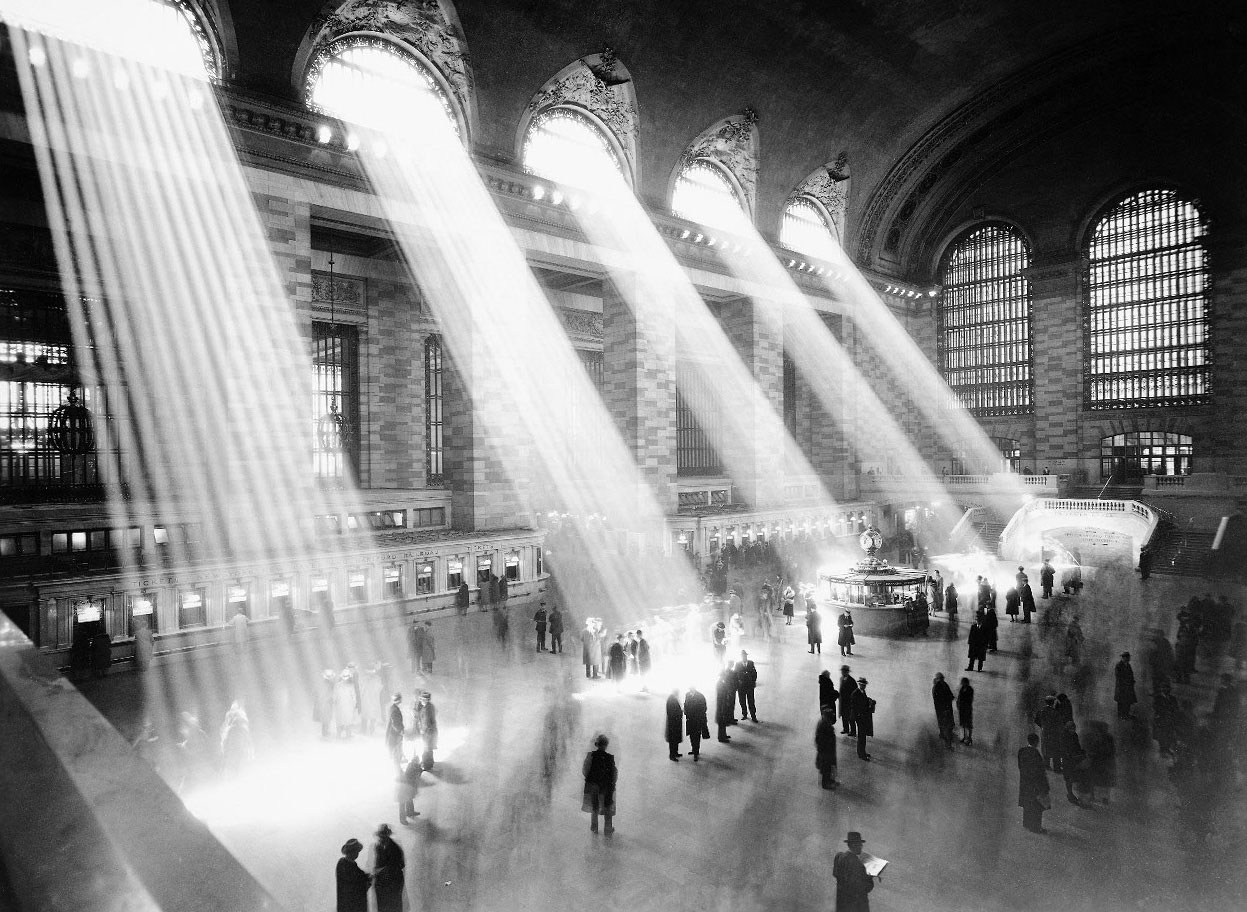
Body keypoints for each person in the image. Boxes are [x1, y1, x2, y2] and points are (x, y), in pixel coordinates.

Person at [582, 734, 617, 834]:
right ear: (606, 745)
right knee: (607, 806)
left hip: (593, 784)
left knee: (595, 806)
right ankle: (608, 828)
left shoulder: (590, 755)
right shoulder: (609, 758)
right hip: (606, 785)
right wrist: (612, 783)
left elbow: (585, 769)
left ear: (597, 744)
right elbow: (614, 773)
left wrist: (589, 778)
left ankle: (594, 827)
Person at [832, 831, 875, 912]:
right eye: (860, 844)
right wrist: (870, 876)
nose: (861, 846)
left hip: (843, 904)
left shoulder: (840, 858)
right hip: (856, 905)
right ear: (854, 845)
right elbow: (864, 887)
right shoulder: (856, 863)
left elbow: (837, 875)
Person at [1017, 732, 1049, 833]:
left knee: (1027, 804)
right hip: (1035, 784)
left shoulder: (1022, 751)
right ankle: (1036, 827)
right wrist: (1044, 786)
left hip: (1025, 782)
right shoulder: (1035, 754)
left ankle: (1026, 823)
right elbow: (1039, 772)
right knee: (1036, 806)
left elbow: (1020, 766)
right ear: (1036, 742)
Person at [371, 824, 405, 912]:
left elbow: (401, 864)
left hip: (393, 882)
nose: (380, 838)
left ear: (387, 836)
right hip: (382, 883)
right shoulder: (378, 846)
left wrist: (384, 869)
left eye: (383, 836)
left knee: (393, 906)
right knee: (382, 907)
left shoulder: (394, 847)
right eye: (380, 836)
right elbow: (378, 864)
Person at [1082, 719, 1116, 803]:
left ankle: (1096, 797)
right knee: (1105, 781)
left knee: (1098, 780)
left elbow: (1095, 749)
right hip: (1106, 762)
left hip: (1100, 761)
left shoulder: (1098, 737)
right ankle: (1104, 798)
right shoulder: (1108, 737)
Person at [336, 838, 371, 912]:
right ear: (351, 852)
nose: (357, 854)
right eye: (356, 851)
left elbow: (360, 875)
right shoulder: (343, 864)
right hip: (350, 904)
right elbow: (354, 881)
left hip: (351, 904)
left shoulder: (351, 864)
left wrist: (367, 877)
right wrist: (367, 880)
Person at [219, 700, 253, 775]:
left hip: (238, 751)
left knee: (239, 768)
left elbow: (225, 743)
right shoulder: (231, 728)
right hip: (235, 752)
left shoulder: (237, 726)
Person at [1060, 720, 1087, 803]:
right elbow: (1063, 748)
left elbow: (1077, 745)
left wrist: (1081, 752)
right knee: (1068, 778)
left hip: (1074, 758)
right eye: (1071, 729)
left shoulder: (1074, 735)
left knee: (1075, 776)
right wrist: (1068, 755)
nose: (1073, 730)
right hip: (1067, 760)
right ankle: (1070, 793)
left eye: (1074, 728)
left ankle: (1076, 794)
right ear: (1068, 729)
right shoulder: (1064, 736)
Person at [1034, 695, 1063, 771]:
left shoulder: (1041, 711)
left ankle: (1046, 765)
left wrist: (1042, 726)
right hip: (1054, 733)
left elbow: (1036, 720)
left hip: (1045, 732)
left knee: (1045, 748)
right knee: (1055, 749)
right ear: (1053, 702)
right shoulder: (1055, 712)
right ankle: (1057, 767)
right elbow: (1059, 723)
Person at [850, 678, 875, 761]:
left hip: (863, 717)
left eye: (864, 685)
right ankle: (861, 754)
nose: (863, 686)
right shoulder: (855, 693)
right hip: (860, 718)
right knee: (861, 736)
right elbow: (853, 706)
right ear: (859, 684)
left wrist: (869, 701)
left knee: (863, 736)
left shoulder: (862, 692)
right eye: (862, 684)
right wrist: (859, 715)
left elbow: (864, 701)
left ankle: (862, 752)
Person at [815, 707, 839, 789]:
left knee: (829, 766)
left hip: (828, 750)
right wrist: (822, 750)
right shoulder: (823, 725)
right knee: (826, 767)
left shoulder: (825, 723)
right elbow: (820, 739)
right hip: (826, 751)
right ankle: (825, 784)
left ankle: (829, 780)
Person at [684, 685, 709, 761]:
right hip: (690, 719)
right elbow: (685, 704)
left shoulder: (700, 696)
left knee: (697, 736)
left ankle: (696, 752)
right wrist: (685, 711)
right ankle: (693, 749)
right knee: (691, 735)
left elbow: (704, 708)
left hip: (697, 720)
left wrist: (697, 715)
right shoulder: (687, 694)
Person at [415, 691, 438, 771]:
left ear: (425, 700)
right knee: (429, 748)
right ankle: (430, 763)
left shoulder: (426, 709)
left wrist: (422, 730)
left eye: (421, 699)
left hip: (427, 732)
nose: (421, 701)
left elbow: (426, 722)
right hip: (431, 731)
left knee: (426, 748)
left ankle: (425, 765)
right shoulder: (430, 706)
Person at [932, 673, 956, 749]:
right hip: (942, 709)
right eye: (941, 678)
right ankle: (947, 741)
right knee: (945, 724)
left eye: (942, 678)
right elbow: (938, 699)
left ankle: (944, 734)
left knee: (945, 723)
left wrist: (951, 697)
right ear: (938, 679)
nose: (942, 679)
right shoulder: (937, 687)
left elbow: (949, 693)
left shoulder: (944, 684)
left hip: (946, 708)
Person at [396, 755, 421, 824]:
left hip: (408, 786)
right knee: (402, 803)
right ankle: (402, 819)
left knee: (409, 799)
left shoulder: (413, 766)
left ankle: (410, 812)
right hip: (403, 787)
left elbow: (415, 778)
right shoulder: (411, 767)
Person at [737, 650, 759, 722]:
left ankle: (753, 716)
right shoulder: (738, 664)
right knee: (742, 701)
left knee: (751, 701)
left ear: (746, 656)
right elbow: (736, 674)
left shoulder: (751, 663)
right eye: (742, 656)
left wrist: (753, 682)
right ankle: (744, 714)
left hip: (749, 686)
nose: (744, 657)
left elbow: (755, 673)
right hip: (741, 687)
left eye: (745, 656)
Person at [1114, 652, 1137, 720]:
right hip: (1121, 688)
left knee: (1128, 701)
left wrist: (1132, 681)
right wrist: (1127, 682)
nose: (1129, 658)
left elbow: (1131, 675)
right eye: (1127, 657)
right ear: (1123, 658)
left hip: (1128, 687)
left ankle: (1126, 714)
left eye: (1129, 657)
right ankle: (1120, 716)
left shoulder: (1128, 665)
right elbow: (1118, 677)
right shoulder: (1118, 665)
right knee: (1121, 702)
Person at [715, 668, 735, 742]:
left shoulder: (722, 682)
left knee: (723, 721)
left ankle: (724, 735)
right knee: (722, 721)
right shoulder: (720, 683)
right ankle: (721, 737)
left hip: (723, 704)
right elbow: (721, 696)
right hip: (722, 705)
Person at [665, 689, 684, 761]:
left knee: (675, 739)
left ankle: (675, 752)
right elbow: (671, 712)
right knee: (673, 740)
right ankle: (672, 755)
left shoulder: (673, 698)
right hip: (673, 723)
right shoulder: (671, 699)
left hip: (675, 723)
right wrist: (680, 712)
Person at [839, 666, 858, 736]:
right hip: (843, 701)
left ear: (847, 672)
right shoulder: (841, 678)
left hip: (849, 702)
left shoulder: (852, 681)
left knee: (850, 717)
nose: (842, 672)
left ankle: (853, 732)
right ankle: (845, 729)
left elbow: (855, 692)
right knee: (844, 715)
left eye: (843, 671)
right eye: (842, 671)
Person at [957, 677, 974, 745]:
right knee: (963, 724)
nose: (962, 684)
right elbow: (959, 697)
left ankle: (969, 738)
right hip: (962, 709)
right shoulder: (962, 689)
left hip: (967, 709)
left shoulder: (970, 689)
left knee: (968, 725)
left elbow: (969, 700)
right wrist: (958, 704)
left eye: (963, 682)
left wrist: (962, 703)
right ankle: (964, 737)